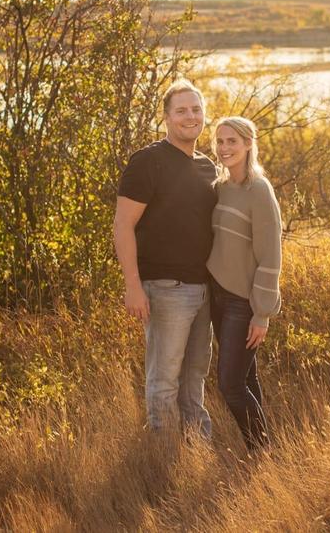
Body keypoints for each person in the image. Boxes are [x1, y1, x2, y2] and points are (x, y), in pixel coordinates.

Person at [113, 79, 217, 438]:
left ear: (204, 115)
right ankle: (164, 454)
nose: (190, 116)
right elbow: (123, 225)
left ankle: (196, 451)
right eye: (181, 110)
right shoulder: (148, 161)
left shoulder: (207, 167)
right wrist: (133, 286)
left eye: (196, 109)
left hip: (204, 289)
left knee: (195, 378)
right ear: (167, 117)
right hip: (165, 288)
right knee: (164, 380)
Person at [207, 116, 282, 450]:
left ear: (249, 143)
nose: (225, 148)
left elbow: (270, 254)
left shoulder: (259, 190)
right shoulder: (220, 187)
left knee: (230, 384)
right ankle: (260, 455)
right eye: (220, 141)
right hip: (216, 296)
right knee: (245, 377)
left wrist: (262, 313)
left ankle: (261, 448)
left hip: (243, 303)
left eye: (232, 141)